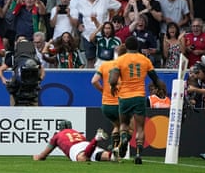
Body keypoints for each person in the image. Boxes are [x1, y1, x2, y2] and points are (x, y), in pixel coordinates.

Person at [109, 36, 166, 164]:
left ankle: (124, 139)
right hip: (139, 96)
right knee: (140, 127)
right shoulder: (145, 60)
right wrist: (161, 89)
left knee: (123, 124)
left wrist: (113, 86)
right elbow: (155, 79)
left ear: (126, 47)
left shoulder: (120, 60)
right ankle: (139, 154)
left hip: (124, 97)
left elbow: (112, 80)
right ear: (138, 47)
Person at [91, 44, 127, 150]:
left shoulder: (105, 65)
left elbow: (94, 81)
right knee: (128, 128)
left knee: (117, 126)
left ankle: (113, 149)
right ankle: (117, 147)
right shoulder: (126, 66)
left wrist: (103, 90)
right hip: (120, 103)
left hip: (106, 105)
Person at [33, 120, 118, 162]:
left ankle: (96, 139)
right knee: (102, 156)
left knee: (83, 158)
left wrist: (38, 157)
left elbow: (43, 155)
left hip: (75, 148)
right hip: (86, 144)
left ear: (60, 128)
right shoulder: (76, 132)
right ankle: (112, 154)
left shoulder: (57, 136)